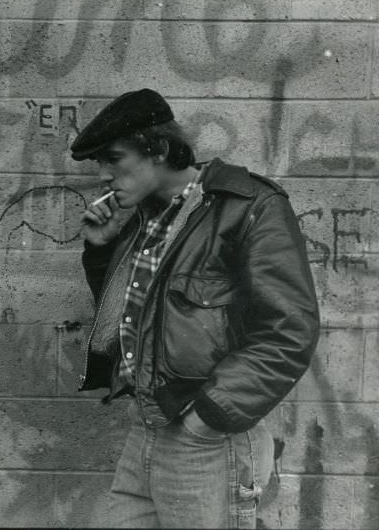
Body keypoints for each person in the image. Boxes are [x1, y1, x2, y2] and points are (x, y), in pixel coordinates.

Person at [72, 88, 319, 529]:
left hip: (205, 436)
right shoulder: (147, 215)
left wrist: (209, 417)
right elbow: (132, 319)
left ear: (160, 148)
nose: (105, 175)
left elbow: (289, 330)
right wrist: (101, 251)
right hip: (145, 427)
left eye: (114, 159)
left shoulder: (248, 205)